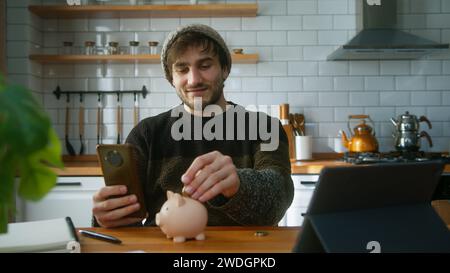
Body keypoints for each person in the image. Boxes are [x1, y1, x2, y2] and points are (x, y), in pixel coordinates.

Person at [92, 24, 294, 228]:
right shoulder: (147, 134)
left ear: (224, 69)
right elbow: (124, 218)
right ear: (172, 78)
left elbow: (279, 197)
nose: (194, 79)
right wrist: (105, 217)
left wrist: (238, 185)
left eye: (205, 66)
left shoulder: (264, 127)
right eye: (182, 69)